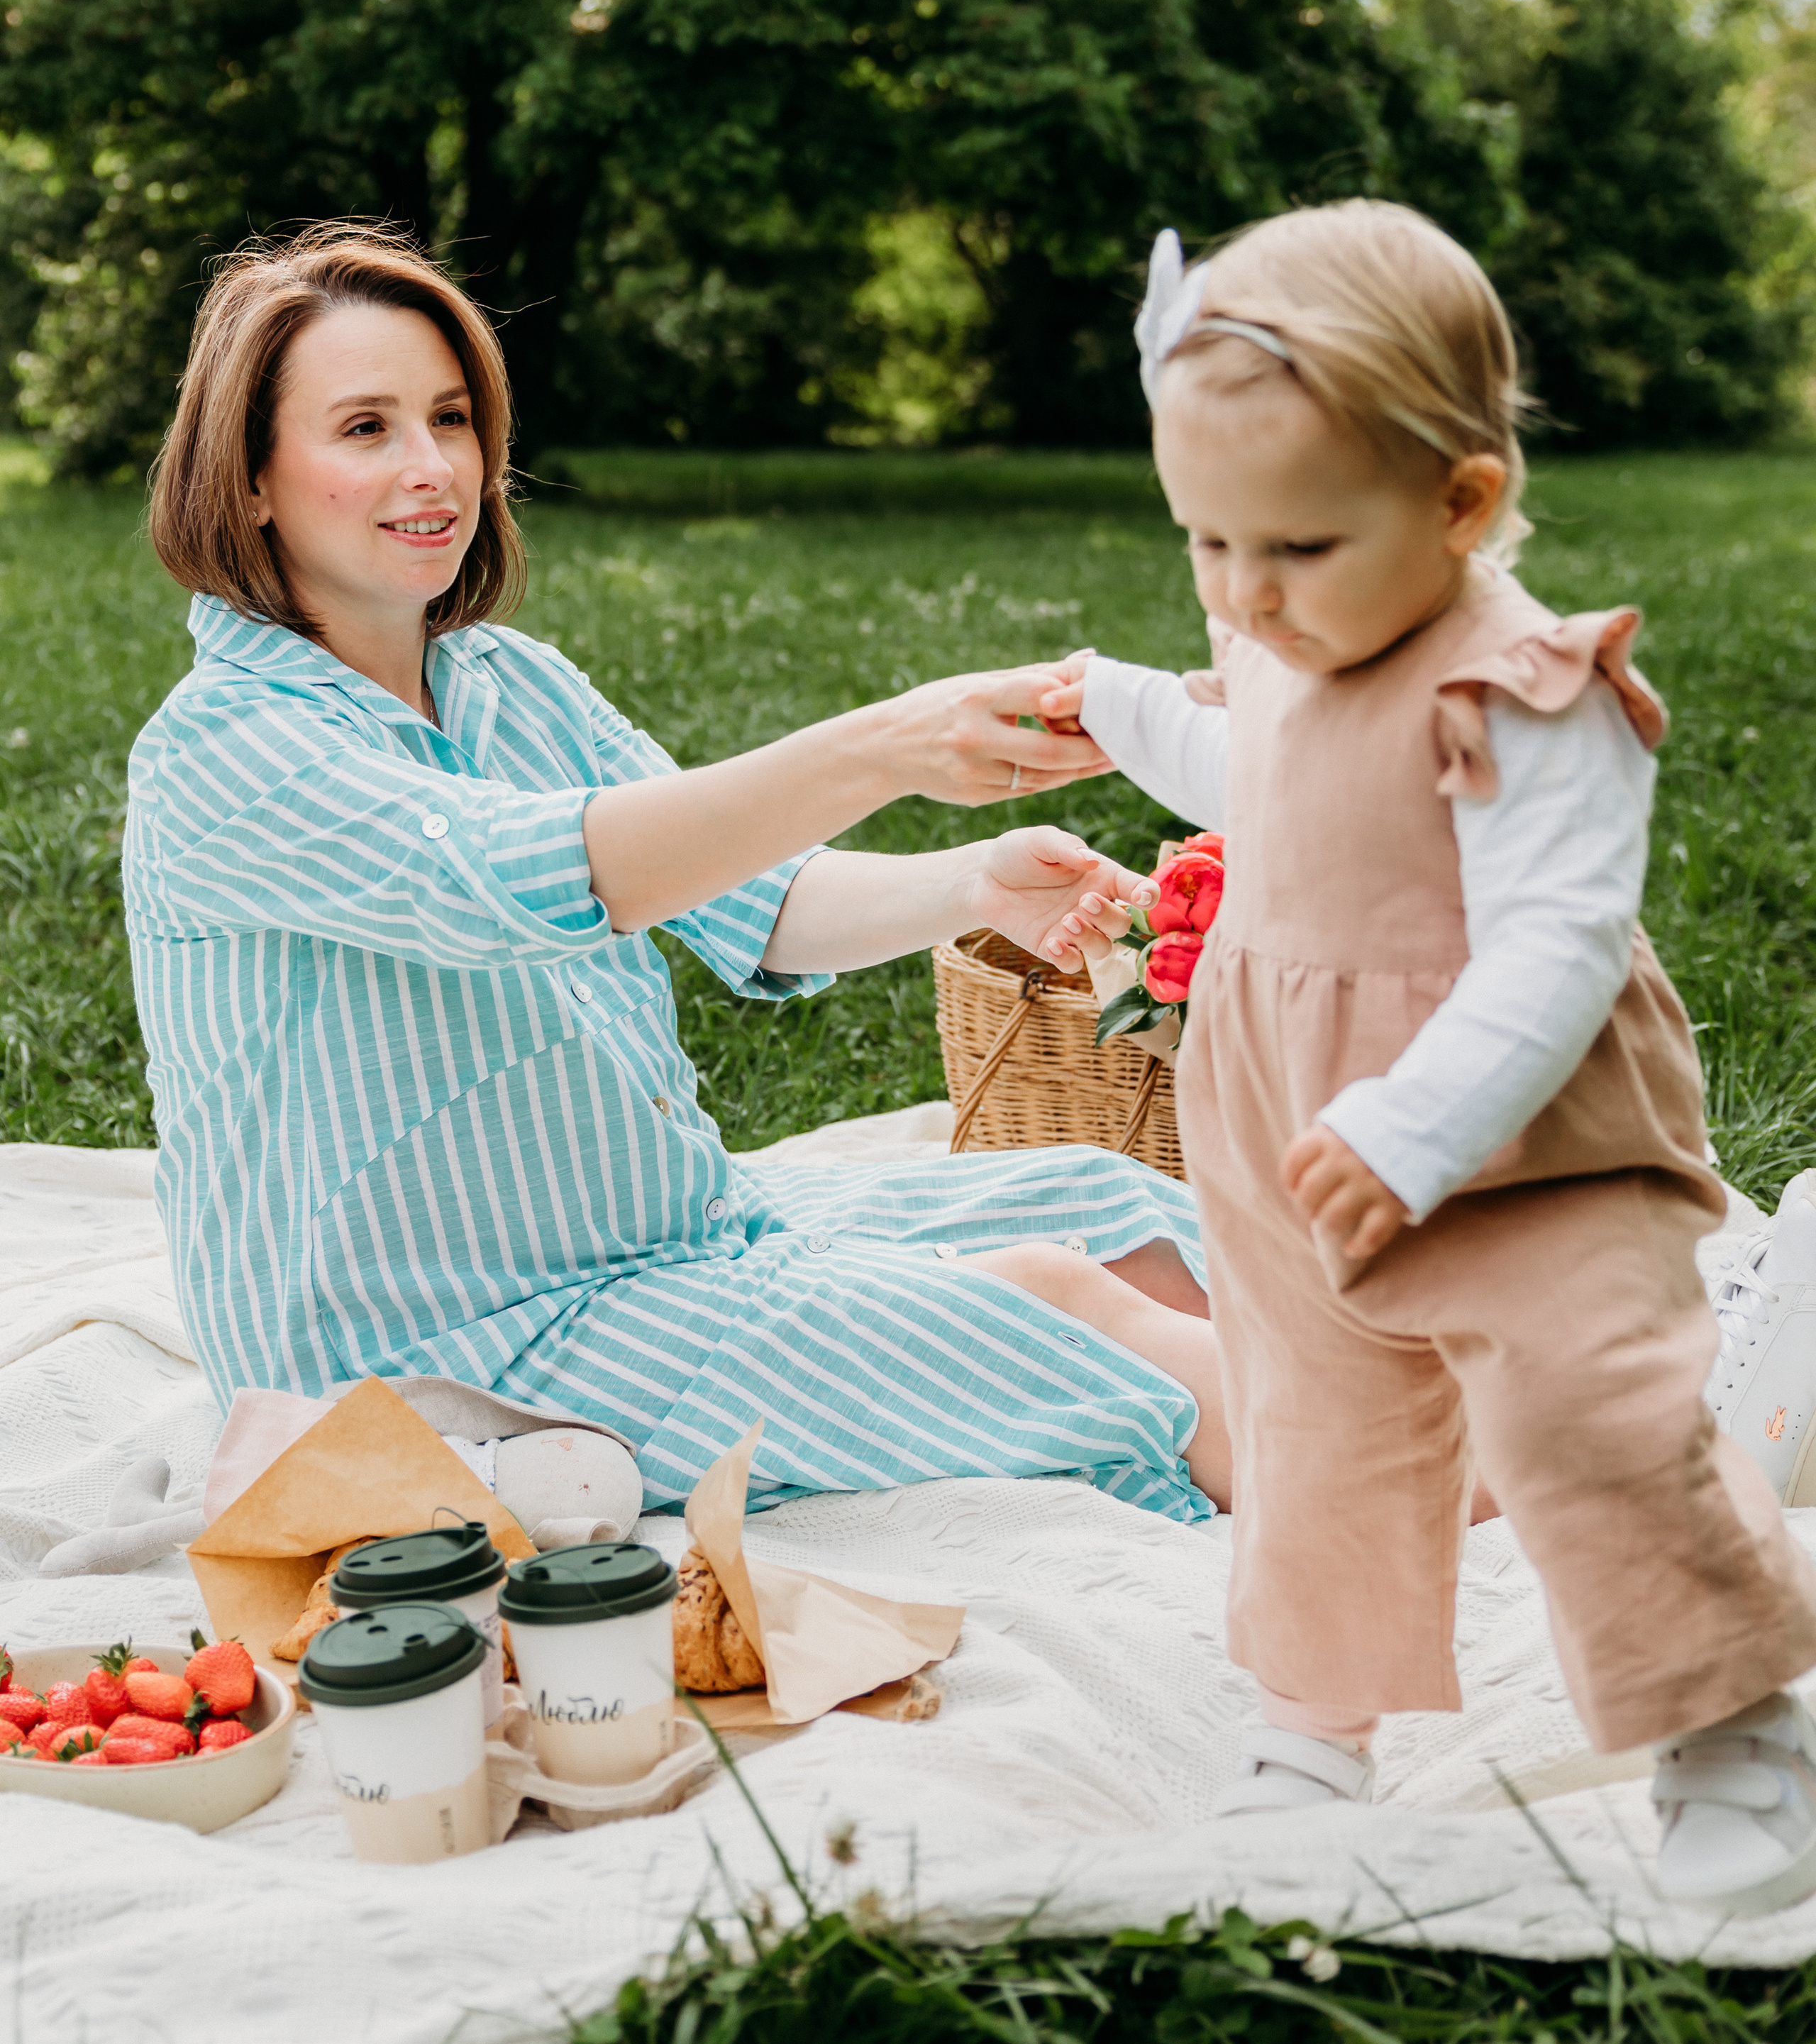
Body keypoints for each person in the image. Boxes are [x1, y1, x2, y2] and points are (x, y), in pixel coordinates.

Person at [125, 222, 1234, 1532]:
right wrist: (890, 742)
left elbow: (753, 899)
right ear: (248, 480)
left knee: (1121, 1210)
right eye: (364, 429)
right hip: (451, 1356)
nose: (431, 469)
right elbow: (532, 880)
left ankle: (1389, 1397)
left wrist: (978, 884)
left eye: (449, 418)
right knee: (1059, 1304)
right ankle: (1421, 1486)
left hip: (677, 1232)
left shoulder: (509, 682)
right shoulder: (221, 752)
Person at [1037, 201, 1816, 1917]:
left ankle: (1732, 1727)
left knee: (1580, 1411)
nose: (1243, 594)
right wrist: (1115, 706)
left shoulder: (1526, 692)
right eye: (1201, 545)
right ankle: (1311, 1730)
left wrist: (1417, 1124)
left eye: (1290, 548)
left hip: (1512, 1126)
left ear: (1458, 499)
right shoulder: (1293, 628)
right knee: (1312, 1416)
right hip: (1286, 1119)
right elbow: (1261, 773)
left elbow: (1546, 948)